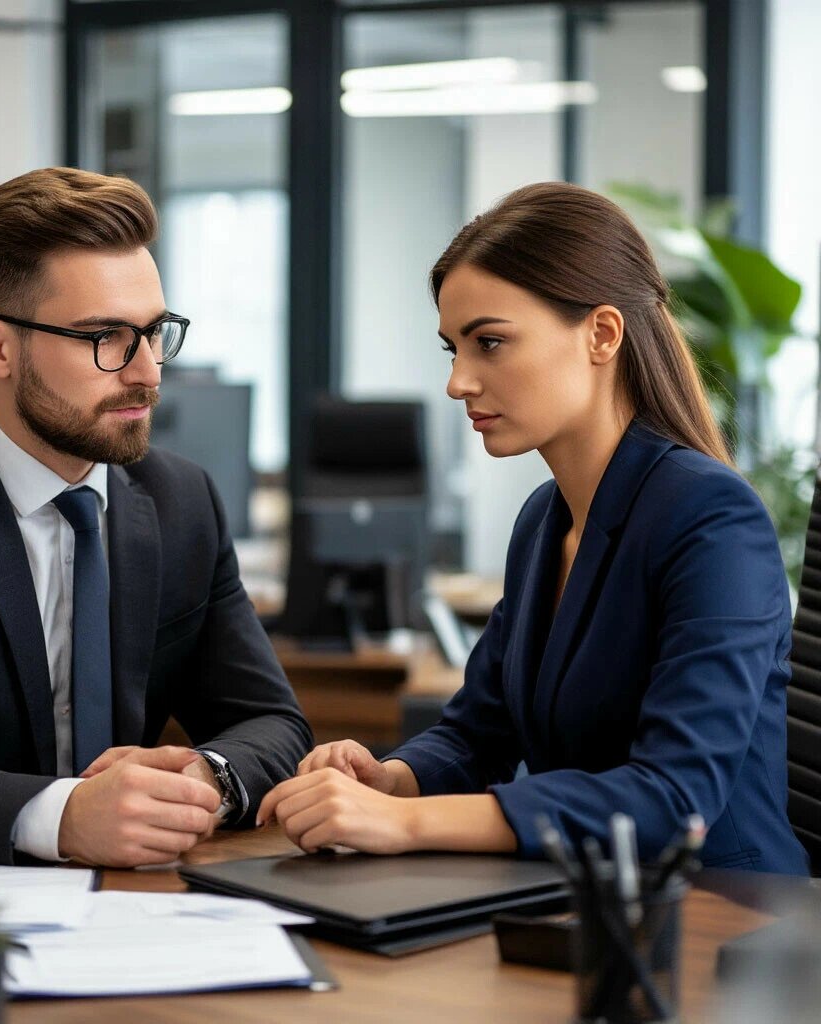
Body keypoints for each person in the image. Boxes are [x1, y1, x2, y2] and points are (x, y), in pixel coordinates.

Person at [258, 181, 808, 875]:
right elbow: (477, 730)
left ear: (602, 334)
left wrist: (405, 820)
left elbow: (674, 798)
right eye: (453, 348)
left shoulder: (711, 519)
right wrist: (389, 779)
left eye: (490, 342)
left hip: (722, 920)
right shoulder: (544, 521)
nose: (459, 381)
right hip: (582, 902)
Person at [0, 167, 312, 868]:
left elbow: (272, 721)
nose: (148, 373)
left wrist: (208, 781)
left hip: (140, 906)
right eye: (105, 337)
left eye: (155, 331)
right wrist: (60, 817)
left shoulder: (181, 499)